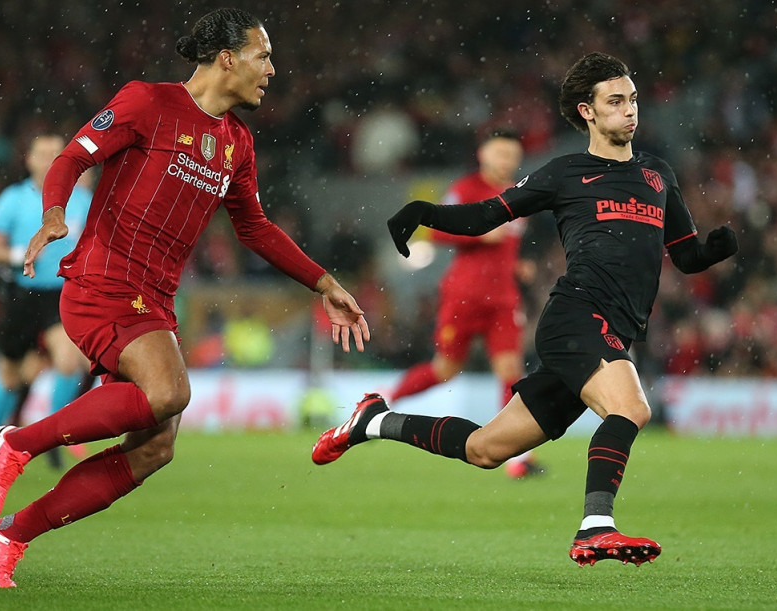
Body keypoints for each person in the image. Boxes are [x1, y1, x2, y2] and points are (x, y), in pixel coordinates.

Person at [0, 8, 370, 588]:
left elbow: (254, 227)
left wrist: (325, 283)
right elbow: (73, 155)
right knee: (170, 391)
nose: (272, 70)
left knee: (155, 448)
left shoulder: (235, 142)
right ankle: (14, 442)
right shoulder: (147, 102)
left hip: (154, 300)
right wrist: (55, 214)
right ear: (227, 58)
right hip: (103, 282)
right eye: (263, 56)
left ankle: (8, 534)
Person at [312, 52, 738, 566]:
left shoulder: (657, 175)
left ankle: (372, 422)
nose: (631, 112)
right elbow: (485, 217)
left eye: (634, 101)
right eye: (617, 101)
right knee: (632, 409)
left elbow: (686, 255)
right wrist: (425, 212)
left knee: (485, 450)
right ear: (587, 111)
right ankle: (595, 527)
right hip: (577, 317)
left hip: (608, 331)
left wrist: (717, 249)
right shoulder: (564, 173)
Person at [386, 129, 541, 478]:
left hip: (502, 299)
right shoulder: (466, 189)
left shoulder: (519, 195)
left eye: (512, 156)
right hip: (464, 296)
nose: (507, 161)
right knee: (445, 369)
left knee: (511, 372)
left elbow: (507, 246)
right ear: (483, 154)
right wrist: (482, 234)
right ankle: (384, 401)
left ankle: (516, 457)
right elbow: (435, 230)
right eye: (500, 154)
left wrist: (517, 266)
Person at [0, 135, 93, 469]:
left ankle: (53, 438)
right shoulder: (13, 199)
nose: (49, 160)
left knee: (69, 361)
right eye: (42, 154)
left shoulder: (81, 199)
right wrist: (19, 254)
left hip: (61, 295)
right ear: (29, 160)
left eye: (56, 154)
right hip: (22, 294)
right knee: (13, 375)